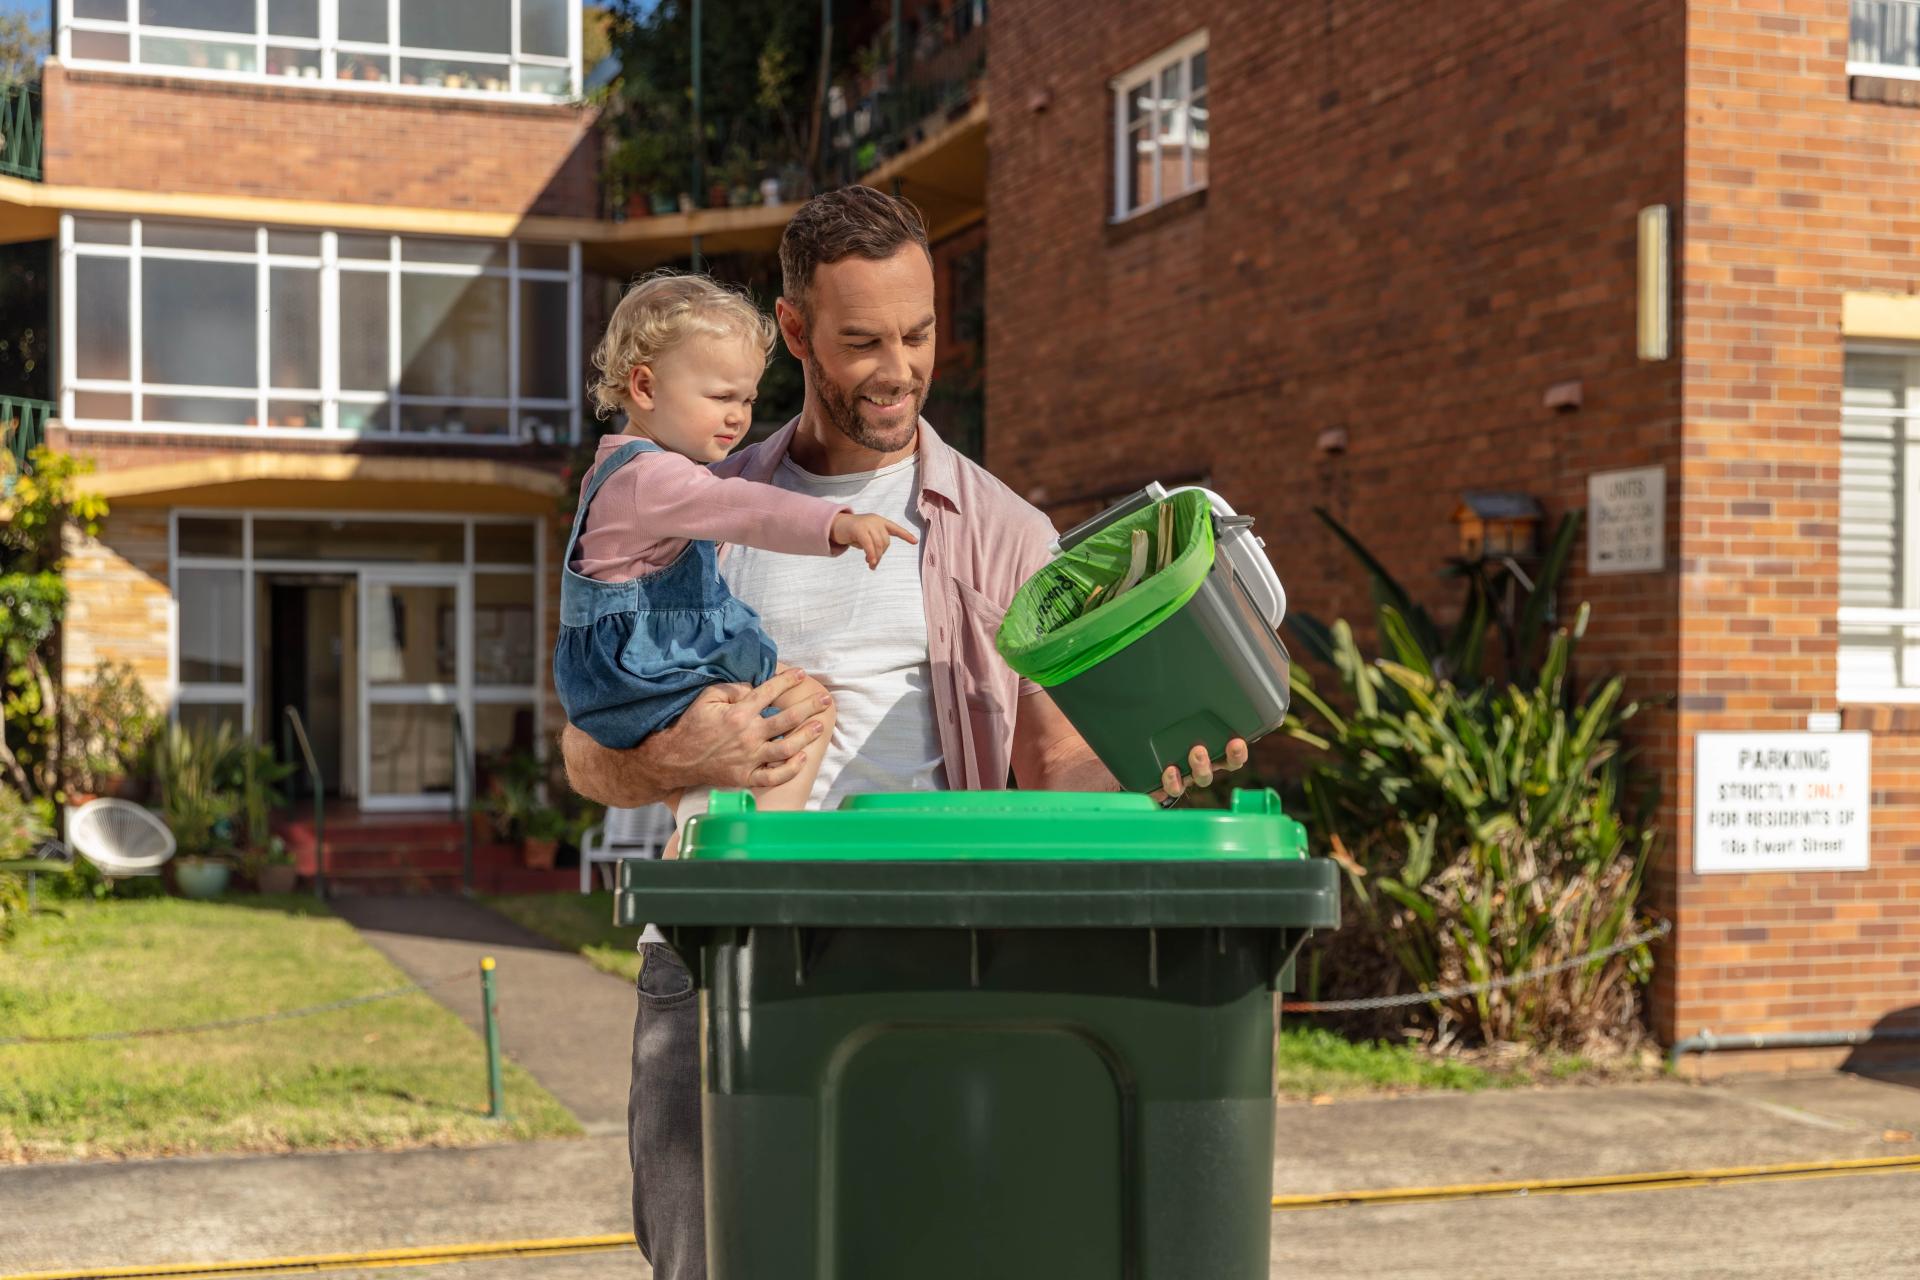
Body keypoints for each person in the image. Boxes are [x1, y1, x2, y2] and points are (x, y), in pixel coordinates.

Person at [561, 186, 1247, 1279]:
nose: (899, 367)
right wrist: (685, 756)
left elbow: (1055, 756)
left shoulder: (1007, 531)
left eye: (919, 333)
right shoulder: (693, 498)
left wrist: (1151, 773)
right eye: (863, 339)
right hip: (713, 961)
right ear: (794, 333)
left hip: (926, 960)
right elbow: (585, 748)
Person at [557, 272, 916, 835]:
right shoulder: (652, 478)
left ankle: (714, 845)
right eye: (721, 397)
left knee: (758, 741)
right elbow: (739, 506)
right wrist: (835, 523)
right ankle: (747, 852)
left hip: (632, 673)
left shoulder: (625, 469)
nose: (739, 416)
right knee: (805, 710)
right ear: (645, 388)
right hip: (644, 672)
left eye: (747, 398)